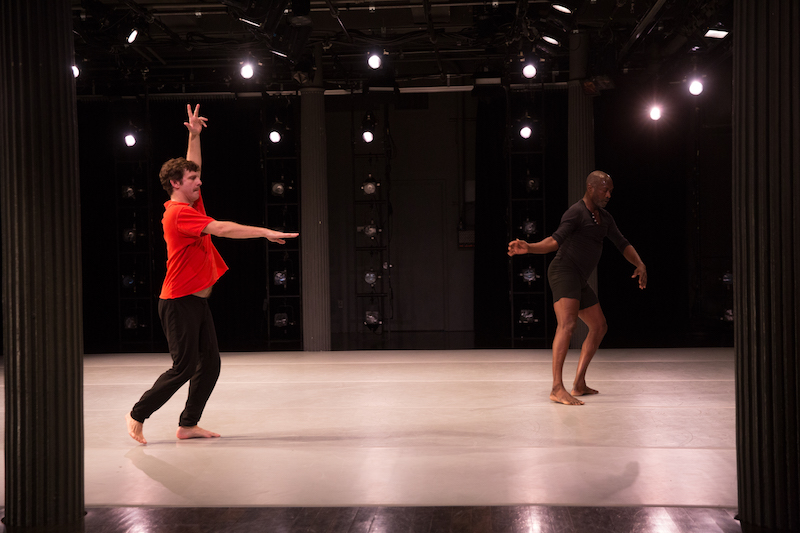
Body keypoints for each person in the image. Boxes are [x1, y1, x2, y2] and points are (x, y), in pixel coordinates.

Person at [126, 104, 299, 444]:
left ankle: (187, 424)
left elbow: (195, 165)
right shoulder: (179, 214)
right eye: (192, 180)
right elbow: (222, 229)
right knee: (183, 367)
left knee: (211, 365)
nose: (199, 182)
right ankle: (138, 414)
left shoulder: (190, 203)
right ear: (176, 184)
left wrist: (193, 135)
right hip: (178, 301)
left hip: (196, 301)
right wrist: (263, 232)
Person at [508, 170, 646, 406]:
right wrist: (528, 247)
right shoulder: (576, 212)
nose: (609, 194)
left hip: (579, 278)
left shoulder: (605, 218)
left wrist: (640, 264)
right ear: (591, 188)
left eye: (611, 190)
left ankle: (579, 383)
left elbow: (622, 243)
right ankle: (556, 388)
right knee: (568, 324)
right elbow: (554, 241)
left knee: (599, 326)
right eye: (605, 189)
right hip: (563, 271)